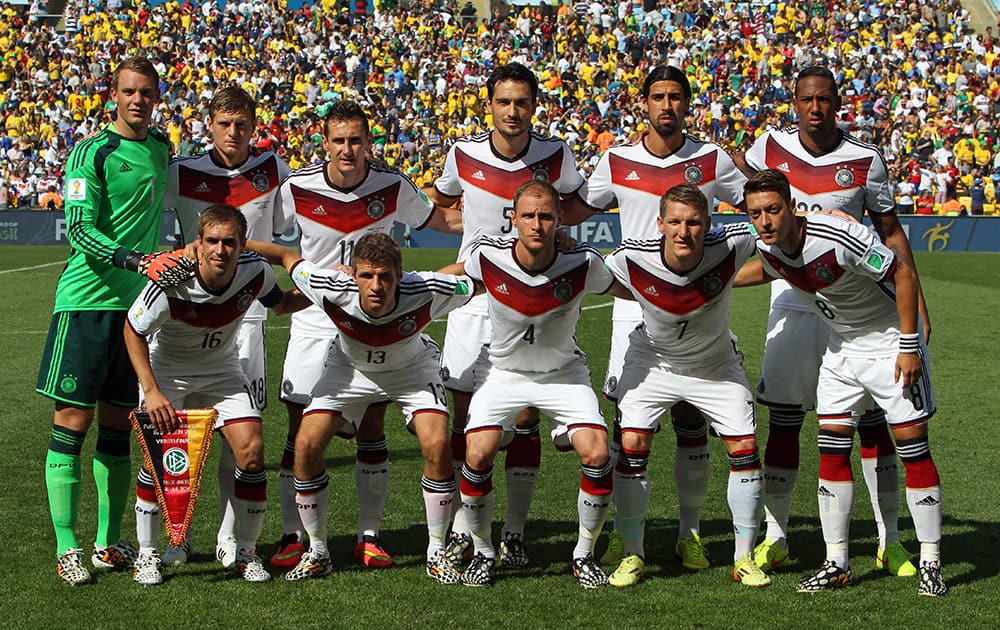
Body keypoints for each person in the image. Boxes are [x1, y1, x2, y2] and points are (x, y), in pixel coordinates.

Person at [739, 66, 928, 576]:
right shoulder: (767, 149)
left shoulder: (865, 160)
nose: (816, 108)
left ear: (836, 103)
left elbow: (890, 232)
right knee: (783, 418)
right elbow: (748, 197)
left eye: (825, 100)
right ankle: (777, 538)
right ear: (794, 103)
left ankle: (891, 541)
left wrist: (921, 306)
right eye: (806, 100)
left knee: (871, 424)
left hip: (855, 305)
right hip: (794, 299)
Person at [273, 100, 461, 570]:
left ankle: (369, 536)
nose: (348, 149)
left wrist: (497, 216)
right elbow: (269, 237)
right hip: (319, 316)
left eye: (356, 140)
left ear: (368, 142)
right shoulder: (295, 187)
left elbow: (437, 221)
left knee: (373, 424)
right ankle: (294, 537)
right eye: (339, 141)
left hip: (376, 312)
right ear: (325, 143)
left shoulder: (392, 185)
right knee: (301, 432)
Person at [576, 64, 747, 570]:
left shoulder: (712, 159)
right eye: (658, 96)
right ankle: (623, 533)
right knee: (628, 426)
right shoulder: (616, 159)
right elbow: (577, 209)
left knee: (691, 417)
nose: (667, 105)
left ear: (686, 104)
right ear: (644, 104)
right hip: (633, 307)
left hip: (696, 310)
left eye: (676, 96)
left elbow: (759, 206)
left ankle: (689, 534)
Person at [35, 56, 192, 586]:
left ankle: (106, 543)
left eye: (147, 92)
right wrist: (138, 261)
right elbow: (79, 230)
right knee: (71, 425)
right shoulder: (91, 152)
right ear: (113, 95)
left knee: (118, 431)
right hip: (84, 305)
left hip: (135, 312)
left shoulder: (161, 148)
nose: (138, 100)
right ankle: (66, 546)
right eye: (129, 91)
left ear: (155, 96)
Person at [426, 62, 588, 567]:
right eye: (504, 102)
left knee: (522, 414)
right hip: (475, 295)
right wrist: (474, 233)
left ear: (533, 106)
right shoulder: (463, 152)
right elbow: (443, 201)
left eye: (522, 102)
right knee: (462, 415)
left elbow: (580, 205)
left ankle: (514, 531)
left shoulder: (555, 155)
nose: (513, 112)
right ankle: (460, 526)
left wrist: (556, 231)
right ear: (489, 105)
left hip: (528, 295)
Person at [248, 232, 475, 584]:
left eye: (385, 276)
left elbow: (485, 275)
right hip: (348, 370)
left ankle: (435, 551)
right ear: (352, 275)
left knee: (436, 443)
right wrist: (220, 243)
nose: (376, 285)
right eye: (366, 275)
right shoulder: (329, 285)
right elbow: (282, 254)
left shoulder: (428, 290)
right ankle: (318, 551)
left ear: (401, 275)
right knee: (306, 445)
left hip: (410, 370)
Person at [442, 180, 616, 588]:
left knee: (597, 453)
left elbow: (630, 287)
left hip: (564, 375)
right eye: (529, 216)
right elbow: (450, 275)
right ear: (514, 219)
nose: (537, 224)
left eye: (546, 216)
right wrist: (402, 284)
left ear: (559, 220)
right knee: (478, 451)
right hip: (503, 372)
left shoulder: (584, 262)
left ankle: (583, 554)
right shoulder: (487, 256)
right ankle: (484, 551)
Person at [123, 204, 304, 585]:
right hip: (169, 372)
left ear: (242, 245)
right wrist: (151, 390)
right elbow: (132, 330)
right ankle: (147, 554)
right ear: (199, 244)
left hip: (222, 371)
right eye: (213, 241)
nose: (221, 250)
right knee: (161, 464)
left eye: (230, 242)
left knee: (252, 453)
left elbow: (283, 305)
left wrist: (331, 291)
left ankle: (247, 552)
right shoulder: (172, 280)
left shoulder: (255, 271)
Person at [603, 184, 769, 589]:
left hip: (715, 366)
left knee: (744, 449)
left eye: (694, 222)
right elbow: (579, 270)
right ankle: (632, 553)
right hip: (653, 361)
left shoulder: (734, 242)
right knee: (633, 445)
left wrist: (830, 219)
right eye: (674, 222)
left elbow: (781, 228)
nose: (684, 231)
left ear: (708, 224)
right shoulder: (630, 257)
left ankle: (742, 557)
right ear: (660, 224)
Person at [159, 86, 292, 568]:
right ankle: (177, 535)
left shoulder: (272, 169)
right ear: (209, 125)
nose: (234, 133)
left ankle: (231, 538)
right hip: (188, 318)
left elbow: (280, 234)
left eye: (242, 124)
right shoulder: (182, 172)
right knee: (180, 438)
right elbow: (161, 230)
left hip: (249, 316)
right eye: (224, 123)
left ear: (253, 126)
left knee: (240, 437)